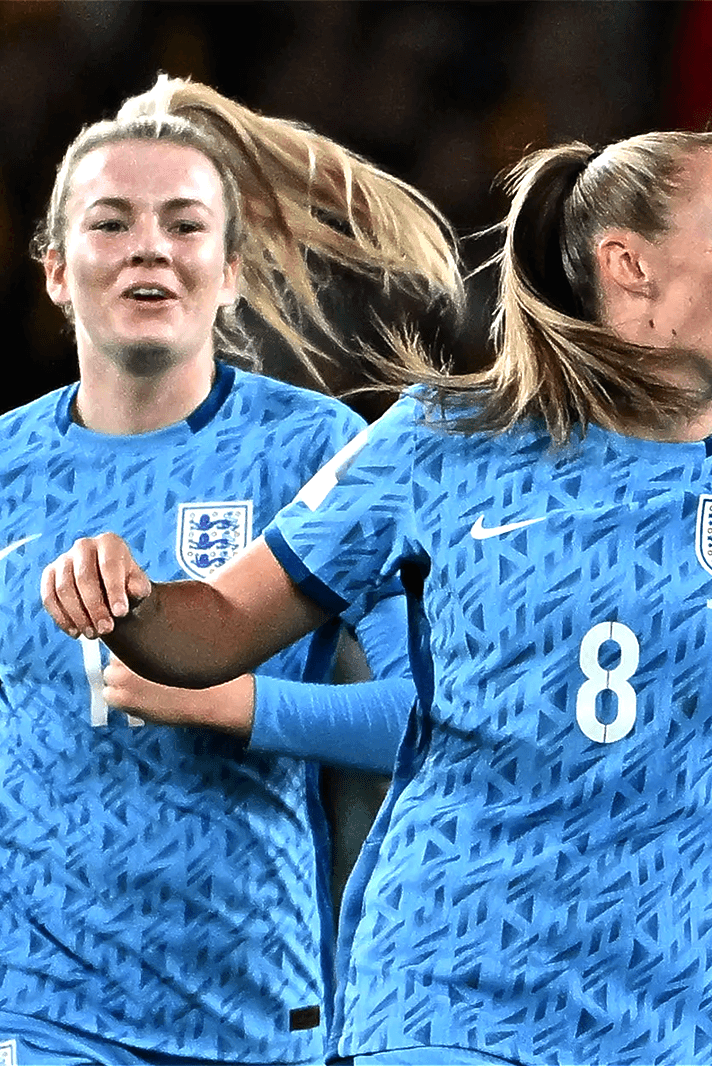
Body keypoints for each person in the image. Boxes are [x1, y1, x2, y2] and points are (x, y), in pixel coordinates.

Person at [40, 130, 712, 1066]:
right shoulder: (443, 441)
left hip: (671, 1013)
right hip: (449, 979)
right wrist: (127, 605)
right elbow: (213, 627)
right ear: (629, 265)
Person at [0, 77, 458, 1064]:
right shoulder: (3, 468)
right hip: (40, 1011)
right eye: (111, 223)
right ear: (53, 270)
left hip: (252, 1007)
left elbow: (431, 721)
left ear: (232, 269)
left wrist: (231, 702)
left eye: (184, 224)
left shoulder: (317, 452)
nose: (150, 247)